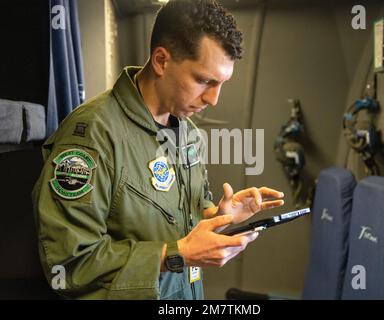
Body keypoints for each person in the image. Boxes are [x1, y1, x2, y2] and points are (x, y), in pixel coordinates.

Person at [32, 0, 284, 300]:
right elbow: (69, 263)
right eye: (205, 80)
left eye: (222, 84)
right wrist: (176, 255)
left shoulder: (187, 132)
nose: (214, 99)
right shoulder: (92, 135)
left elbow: (180, 216)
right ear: (162, 60)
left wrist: (218, 215)